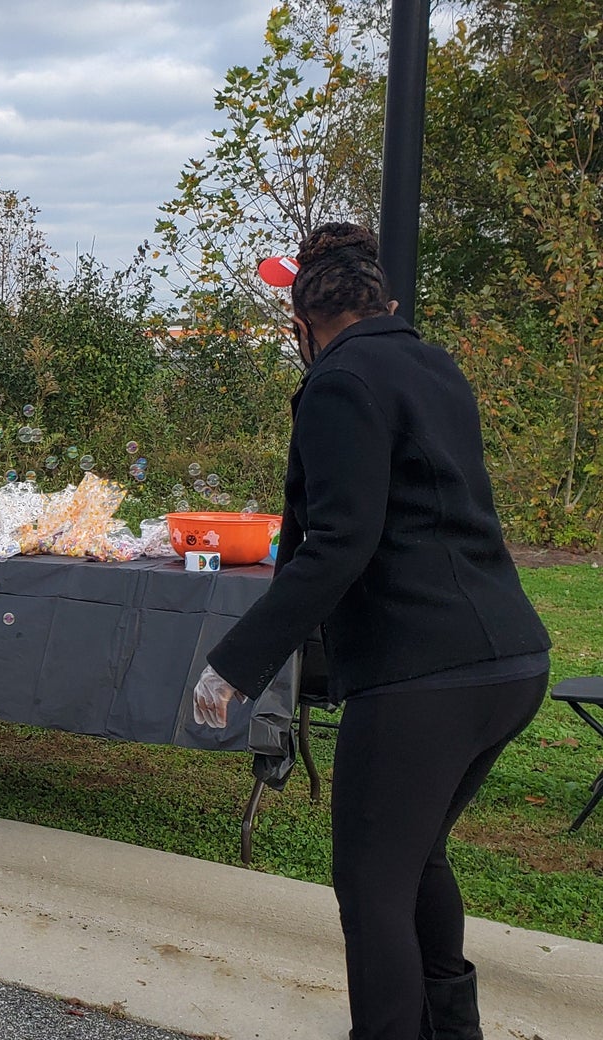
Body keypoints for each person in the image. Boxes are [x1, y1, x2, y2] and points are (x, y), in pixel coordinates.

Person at [194, 224, 551, 1040]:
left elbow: (339, 542)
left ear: (302, 326)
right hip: (510, 660)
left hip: (427, 670)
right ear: (383, 300)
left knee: (370, 886)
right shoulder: (434, 363)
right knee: (415, 857)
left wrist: (236, 664)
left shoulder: (340, 379)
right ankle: (452, 1031)